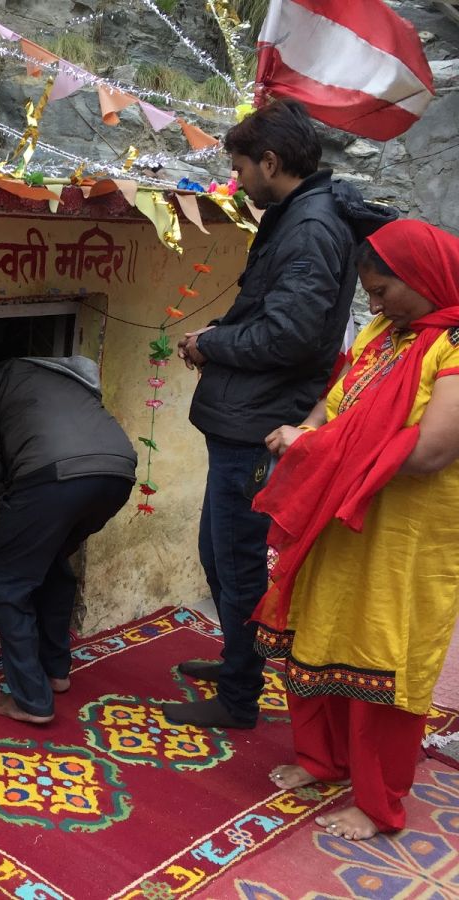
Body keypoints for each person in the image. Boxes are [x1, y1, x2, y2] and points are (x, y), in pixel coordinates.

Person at [169, 100, 395, 729]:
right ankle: (236, 662)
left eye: (241, 169)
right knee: (219, 555)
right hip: (245, 412)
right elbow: (273, 316)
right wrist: (219, 333)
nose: (238, 182)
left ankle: (240, 696)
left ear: (270, 162)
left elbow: (291, 335)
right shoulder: (300, 218)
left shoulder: (309, 228)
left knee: (237, 560)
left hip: (258, 421)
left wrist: (210, 343)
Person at [251, 219, 459, 840]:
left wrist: (316, 450)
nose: (373, 304)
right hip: (339, 515)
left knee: (384, 658)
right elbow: (334, 400)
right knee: (317, 630)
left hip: (405, 539)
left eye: (383, 290)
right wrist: (310, 432)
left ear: (425, 279)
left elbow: (431, 450)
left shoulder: (452, 346)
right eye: (367, 292)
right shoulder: (383, 332)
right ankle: (325, 759)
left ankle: (377, 803)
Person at [0, 356, 136, 724]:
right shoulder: (66, 381)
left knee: (6, 579)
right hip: (117, 474)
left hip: (53, 476)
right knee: (51, 560)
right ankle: (56, 671)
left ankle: (31, 700)